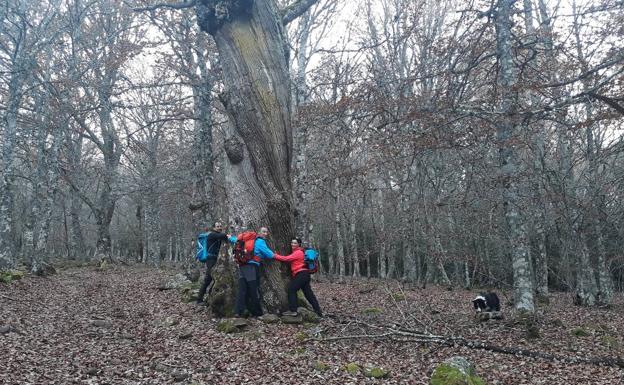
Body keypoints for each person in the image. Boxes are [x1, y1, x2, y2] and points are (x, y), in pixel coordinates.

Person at [273, 238, 322, 317]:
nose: (292, 244)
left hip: (301, 274)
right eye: (292, 243)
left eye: (295, 243)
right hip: (305, 275)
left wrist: (274, 255)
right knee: (309, 294)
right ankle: (318, 311)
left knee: (291, 290)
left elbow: (286, 259)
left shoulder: (298, 252)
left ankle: (293, 311)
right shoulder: (299, 252)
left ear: (299, 244)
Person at [234, 226, 275, 317]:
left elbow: (236, 241)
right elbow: (270, 254)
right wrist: (283, 258)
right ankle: (257, 313)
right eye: (264, 232)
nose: (265, 234)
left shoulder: (245, 241)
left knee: (242, 290)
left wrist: (230, 237)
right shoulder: (260, 241)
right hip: (251, 267)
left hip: (242, 266)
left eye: (266, 232)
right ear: (259, 233)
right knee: (254, 289)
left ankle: (238, 311)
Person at [196, 222, 234, 305]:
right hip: (211, 259)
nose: (220, 228)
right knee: (208, 279)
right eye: (218, 226)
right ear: (213, 228)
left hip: (214, 258)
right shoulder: (212, 235)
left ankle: (209, 295)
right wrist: (229, 236)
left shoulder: (216, 235)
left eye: (220, 226)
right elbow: (222, 236)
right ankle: (199, 300)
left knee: (214, 278)